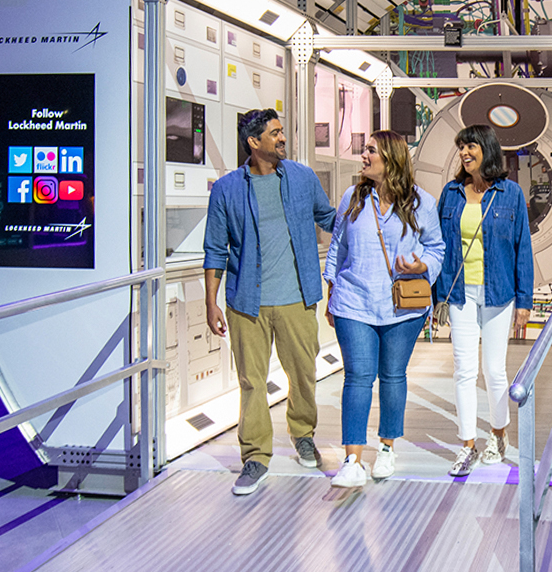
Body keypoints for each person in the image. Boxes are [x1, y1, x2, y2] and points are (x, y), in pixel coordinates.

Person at [203, 108, 336, 496]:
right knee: (251, 382)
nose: (282, 138)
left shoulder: (302, 177)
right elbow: (214, 249)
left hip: (297, 297)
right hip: (247, 302)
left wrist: (372, 209)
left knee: (304, 375)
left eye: (282, 132)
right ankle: (255, 457)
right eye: (275, 133)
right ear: (253, 142)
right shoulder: (227, 189)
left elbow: (328, 218)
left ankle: (303, 435)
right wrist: (211, 303)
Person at [322, 131, 444, 488]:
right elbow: (337, 248)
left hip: (401, 308)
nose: (363, 156)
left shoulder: (422, 202)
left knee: (392, 376)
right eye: (364, 150)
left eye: (370, 151)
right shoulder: (352, 198)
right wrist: (331, 293)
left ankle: (387, 448)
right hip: (354, 302)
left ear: (390, 158)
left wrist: (421, 265)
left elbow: (436, 248)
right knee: (358, 376)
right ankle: (352, 459)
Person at [432, 124, 534, 476]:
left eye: (470, 146)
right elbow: (440, 247)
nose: (464, 152)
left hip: (499, 293)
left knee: (494, 370)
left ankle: (498, 433)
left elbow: (523, 249)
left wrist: (524, 301)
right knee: (463, 370)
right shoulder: (450, 193)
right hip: (459, 294)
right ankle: (466, 445)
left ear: (486, 150)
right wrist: (437, 296)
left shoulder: (511, 194)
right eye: (461, 147)